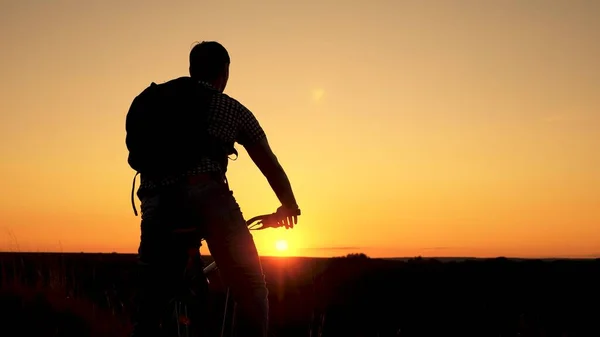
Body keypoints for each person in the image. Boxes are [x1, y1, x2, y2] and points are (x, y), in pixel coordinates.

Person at [127, 41, 300, 337]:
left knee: (151, 302)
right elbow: (269, 163)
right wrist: (289, 205)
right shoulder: (229, 107)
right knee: (252, 288)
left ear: (192, 69)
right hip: (207, 198)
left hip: (156, 204)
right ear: (224, 72)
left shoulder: (157, 104)